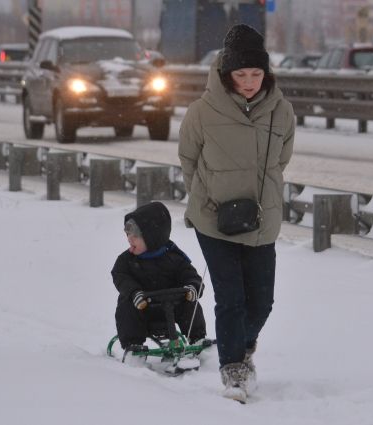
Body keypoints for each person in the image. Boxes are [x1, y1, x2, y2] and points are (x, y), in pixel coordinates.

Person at [178, 24, 295, 401]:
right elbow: (189, 160)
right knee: (231, 298)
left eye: (256, 74)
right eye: (241, 74)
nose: (249, 82)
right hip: (213, 218)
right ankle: (234, 372)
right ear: (226, 74)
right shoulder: (201, 112)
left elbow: (282, 158)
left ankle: (242, 346)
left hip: (262, 218)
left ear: (267, 73)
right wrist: (212, 194)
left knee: (262, 301)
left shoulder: (281, 111)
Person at [111, 201, 207, 350]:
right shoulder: (127, 261)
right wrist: (134, 292)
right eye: (128, 235)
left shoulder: (175, 257)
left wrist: (193, 287)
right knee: (126, 305)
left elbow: (190, 274)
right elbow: (120, 276)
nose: (129, 239)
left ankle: (197, 338)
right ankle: (133, 345)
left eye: (135, 236)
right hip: (142, 309)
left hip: (173, 308)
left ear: (151, 237)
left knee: (190, 305)